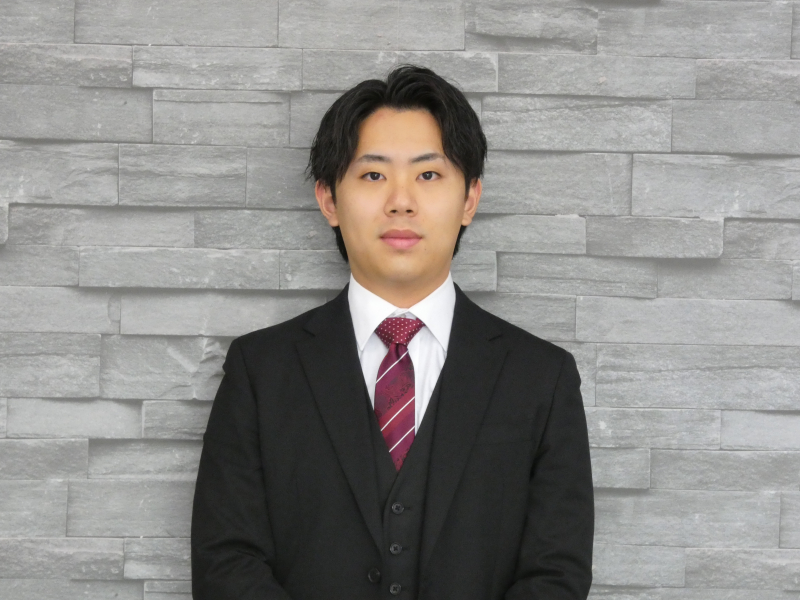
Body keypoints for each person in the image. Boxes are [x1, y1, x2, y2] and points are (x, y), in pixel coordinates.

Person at [191, 64, 594, 600]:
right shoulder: (261, 371)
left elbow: (557, 573)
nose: (401, 201)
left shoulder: (541, 377)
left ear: (469, 199)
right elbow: (225, 563)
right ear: (329, 200)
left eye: (428, 175)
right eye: (373, 175)